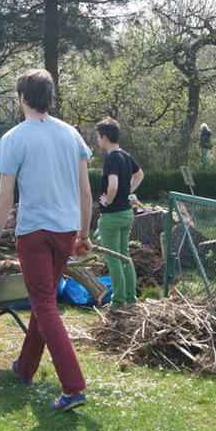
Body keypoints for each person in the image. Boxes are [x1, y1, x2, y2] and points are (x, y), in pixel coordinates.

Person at [0, 69, 93, 412]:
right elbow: (85, 190)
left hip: (33, 233)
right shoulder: (71, 134)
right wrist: (84, 233)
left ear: (22, 98)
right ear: (50, 97)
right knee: (44, 302)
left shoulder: (14, 138)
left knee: (44, 305)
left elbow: (4, 199)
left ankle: (74, 387)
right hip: (64, 231)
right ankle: (25, 368)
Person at [96, 117, 143, 308]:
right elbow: (140, 175)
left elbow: (113, 184)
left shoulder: (112, 158)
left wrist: (109, 200)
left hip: (113, 215)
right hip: (127, 213)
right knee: (124, 256)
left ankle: (118, 302)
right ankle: (131, 300)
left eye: (98, 137)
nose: (98, 141)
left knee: (113, 258)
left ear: (105, 137)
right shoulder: (126, 155)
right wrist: (128, 192)